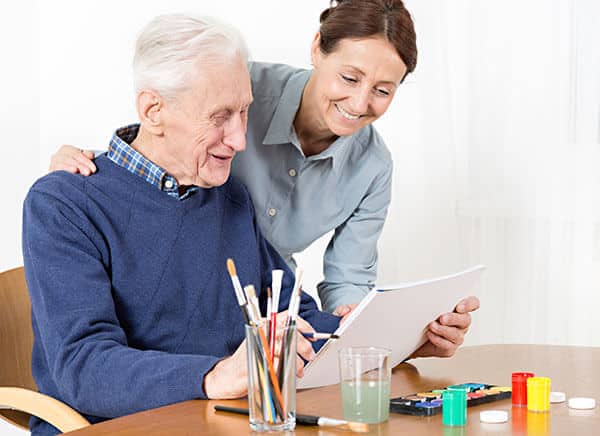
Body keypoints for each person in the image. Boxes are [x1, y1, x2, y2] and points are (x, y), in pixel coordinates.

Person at [49, 3, 477, 359]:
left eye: (383, 90)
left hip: (254, 334)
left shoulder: (239, 193)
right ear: (317, 49)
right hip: (204, 373)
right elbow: (160, 136)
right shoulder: (234, 82)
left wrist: (404, 338)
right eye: (349, 78)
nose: (239, 141)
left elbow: (327, 298)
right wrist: (86, 173)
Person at [23, 14, 340, 436]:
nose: (239, 140)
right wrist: (214, 376)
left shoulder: (230, 197)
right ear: (154, 111)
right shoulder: (63, 204)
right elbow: (83, 365)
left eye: (244, 112)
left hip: (224, 423)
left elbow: (289, 310)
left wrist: (399, 332)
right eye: (219, 117)